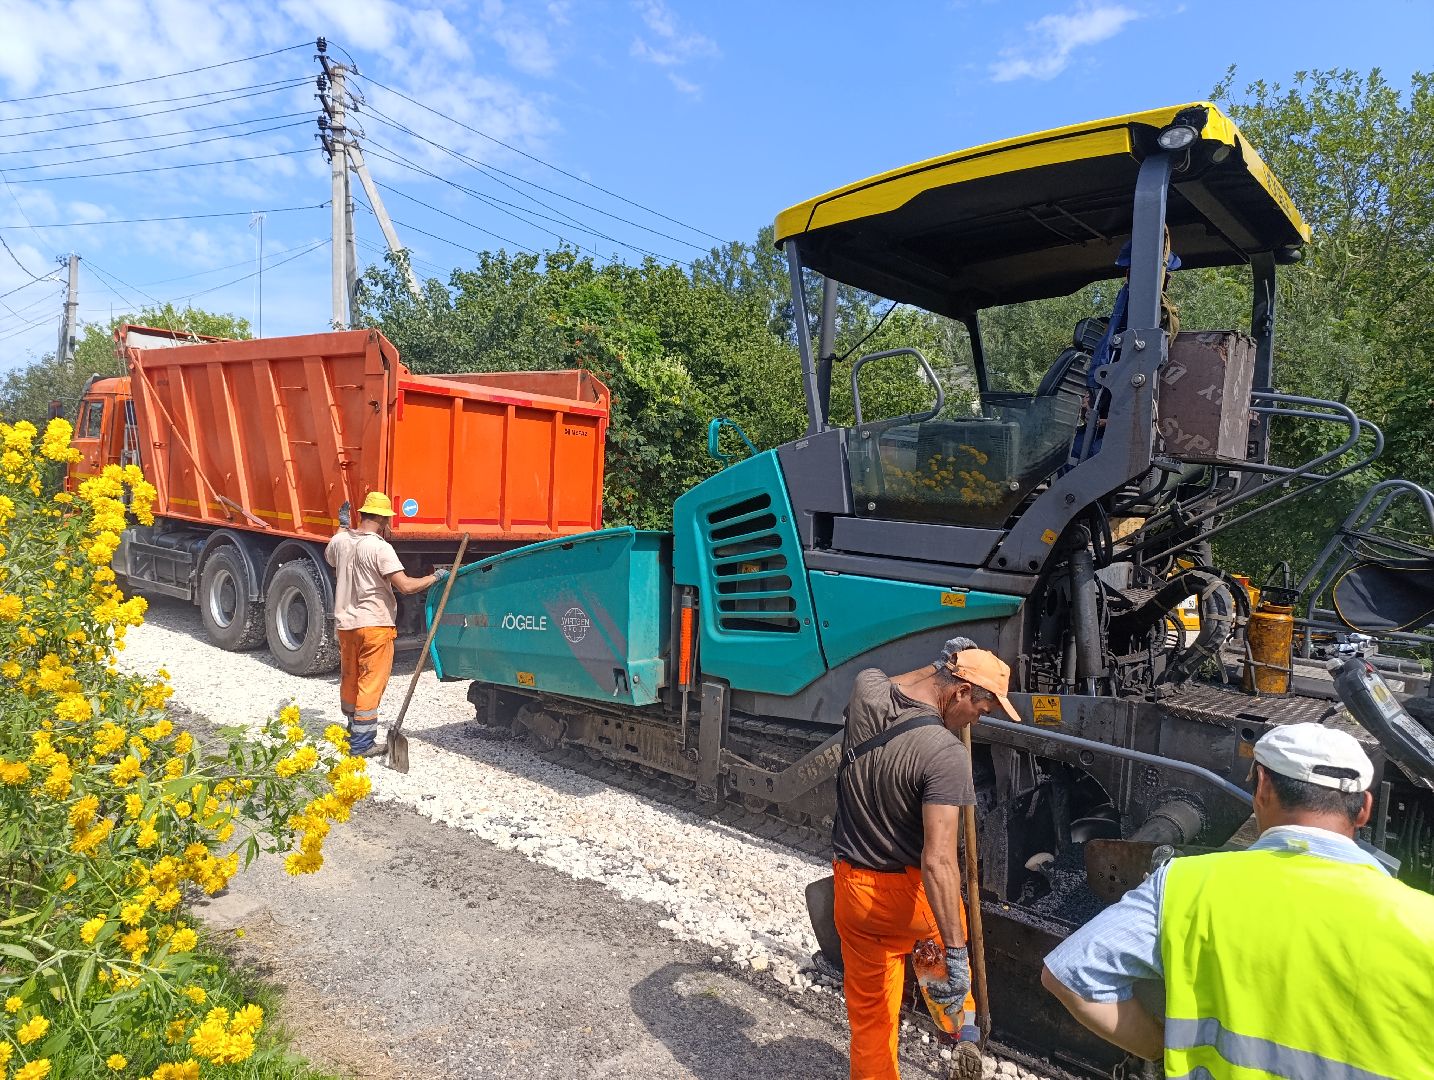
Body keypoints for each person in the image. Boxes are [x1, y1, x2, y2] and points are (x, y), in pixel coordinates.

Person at [1042, 722, 1434, 1079]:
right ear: (1364, 808)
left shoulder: (1183, 886)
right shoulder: (1423, 922)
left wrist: (1159, 1050)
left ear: (1261, 786)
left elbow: (1071, 974)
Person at [832, 636, 1021, 1080]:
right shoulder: (946, 755)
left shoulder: (866, 691)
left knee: (873, 1021)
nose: (979, 717)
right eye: (981, 708)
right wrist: (960, 954)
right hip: (906, 898)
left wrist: (941, 662)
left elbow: (900, 682)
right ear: (959, 692)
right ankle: (961, 1030)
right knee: (942, 933)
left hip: (853, 893)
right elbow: (938, 862)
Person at [325, 492, 445, 756]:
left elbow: (334, 552)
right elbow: (405, 586)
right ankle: (362, 744)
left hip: (346, 626)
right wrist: (435, 577)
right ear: (381, 518)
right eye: (387, 519)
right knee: (370, 682)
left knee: (350, 678)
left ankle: (351, 729)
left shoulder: (340, 541)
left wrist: (342, 525)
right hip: (375, 625)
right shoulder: (380, 548)